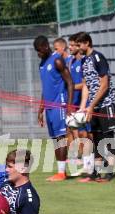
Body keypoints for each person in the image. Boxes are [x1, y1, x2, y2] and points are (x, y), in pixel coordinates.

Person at [76, 32, 115, 182]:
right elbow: (86, 85)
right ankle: (96, 173)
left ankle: (110, 173)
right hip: (93, 107)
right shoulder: (84, 60)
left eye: (79, 44)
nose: (77, 47)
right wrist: (83, 106)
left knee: (108, 137)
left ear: (87, 43)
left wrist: (92, 105)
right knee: (95, 137)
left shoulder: (97, 58)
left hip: (106, 104)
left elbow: (104, 85)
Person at [34, 36, 74, 182]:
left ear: (45, 46)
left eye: (39, 50)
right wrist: (40, 109)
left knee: (61, 138)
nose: (38, 54)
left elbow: (70, 82)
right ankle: (61, 172)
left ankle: (62, 173)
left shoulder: (57, 60)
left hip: (59, 104)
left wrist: (69, 106)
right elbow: (45, 88)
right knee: (55, 139)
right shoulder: (42, 64)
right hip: (49, 107)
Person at [67, 33, 94, 176]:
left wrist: (69, 87)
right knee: (77, 131)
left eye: (74, 45)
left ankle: (91, 163)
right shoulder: (70, 61)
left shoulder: (83, 62)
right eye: (71, 45)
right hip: (77, 103)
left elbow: (84, 84)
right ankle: (85, 163)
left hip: (86, 103)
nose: (71, 47)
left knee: (88, 134)